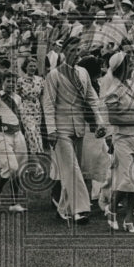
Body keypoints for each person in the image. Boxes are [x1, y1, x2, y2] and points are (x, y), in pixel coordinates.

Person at [41, 37, 107, 224]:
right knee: (71, 167)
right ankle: (81, 210)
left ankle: (63, 209)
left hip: (78, 126)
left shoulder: (83, 73)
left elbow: (92, 99)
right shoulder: (54, 74)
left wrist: (99, 122)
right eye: (71, 49)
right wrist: (51, 130)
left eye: (78, 49)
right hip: (60, 127)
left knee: (72, 169)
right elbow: (48, 104)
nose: (75, 52)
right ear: (64, 51)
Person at [100, 50, 134, 233]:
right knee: (127, 180)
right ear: (120, 68)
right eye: (129, 65)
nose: (132, 68)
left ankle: (128, 219)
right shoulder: (112, 89)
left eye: (133, 65)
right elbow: (113, 118)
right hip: (122, 138)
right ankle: (111, 208)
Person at [0, 69, 28, 212]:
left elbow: (20, 117)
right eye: (8, 81)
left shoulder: (17, 98)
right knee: (12, 167)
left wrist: (25, 134)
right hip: (4, 136)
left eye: (13, 81)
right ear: (2, 82)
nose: (11, 84)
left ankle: (14, 203)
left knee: (17, 171)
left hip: (18, 135)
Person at [16, 56, 45, 155]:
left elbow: (42, 96)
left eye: (34, 66)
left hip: (37, 109)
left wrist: (44, 109)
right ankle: (36, 161)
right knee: (30, 132)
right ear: (25, 67)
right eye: (30, 66)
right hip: (25, 108)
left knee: (37, 133)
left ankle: (33, 160)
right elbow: (17, 96)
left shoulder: (40, 80)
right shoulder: (20, 80)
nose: (33, 68)